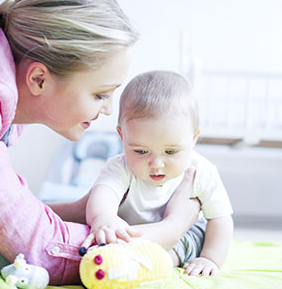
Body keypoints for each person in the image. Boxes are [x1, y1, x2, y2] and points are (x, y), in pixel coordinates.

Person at [0, 0, 199, 285]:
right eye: (101, 94)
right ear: (39, 79)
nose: (108, 110)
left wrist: (84, 209)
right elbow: (40, 247)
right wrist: (171, 230)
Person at [83, 70, 234, 276]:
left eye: (171, 152)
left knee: (197, 235)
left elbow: (221, 219)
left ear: (194, 138)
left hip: (182, 235)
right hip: (132, 232)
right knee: (97, 234)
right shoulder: (121, 166)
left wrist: (210, 258)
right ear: (122, 136)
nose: (156, 164)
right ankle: (141, 259)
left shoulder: (201, 171)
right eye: (141, 151)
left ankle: (162, 261)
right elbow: (103, 193)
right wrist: (105, 217)